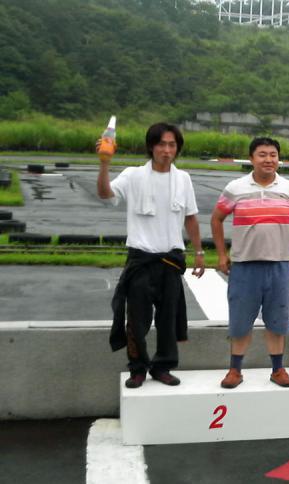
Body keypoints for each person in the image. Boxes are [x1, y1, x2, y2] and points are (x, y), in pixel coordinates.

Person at [97, 122, 205, 389]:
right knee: (136, 321)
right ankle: (137, 368)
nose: (166, 150)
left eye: (172, 145)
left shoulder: (183, 179)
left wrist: (199, 252)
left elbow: (190, 218)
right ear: (151, 146)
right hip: (141, 260)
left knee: (168, 320)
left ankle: (163, 367)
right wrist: (104, 164)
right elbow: (105, 195)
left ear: (177, 148)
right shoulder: (133, 176)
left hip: (170, 261)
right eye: (161, 144)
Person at [211, 137, 289, 388]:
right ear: (251, 158)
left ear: (278, 159)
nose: (268, 160)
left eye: (273, 155)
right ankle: (235, 370)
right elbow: (216, 218)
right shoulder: (235, 188)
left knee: (278, 321)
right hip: (244, 265)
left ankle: (278, 370)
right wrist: (222, 254)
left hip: (279, 266)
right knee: (240, 321)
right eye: (262, 155)